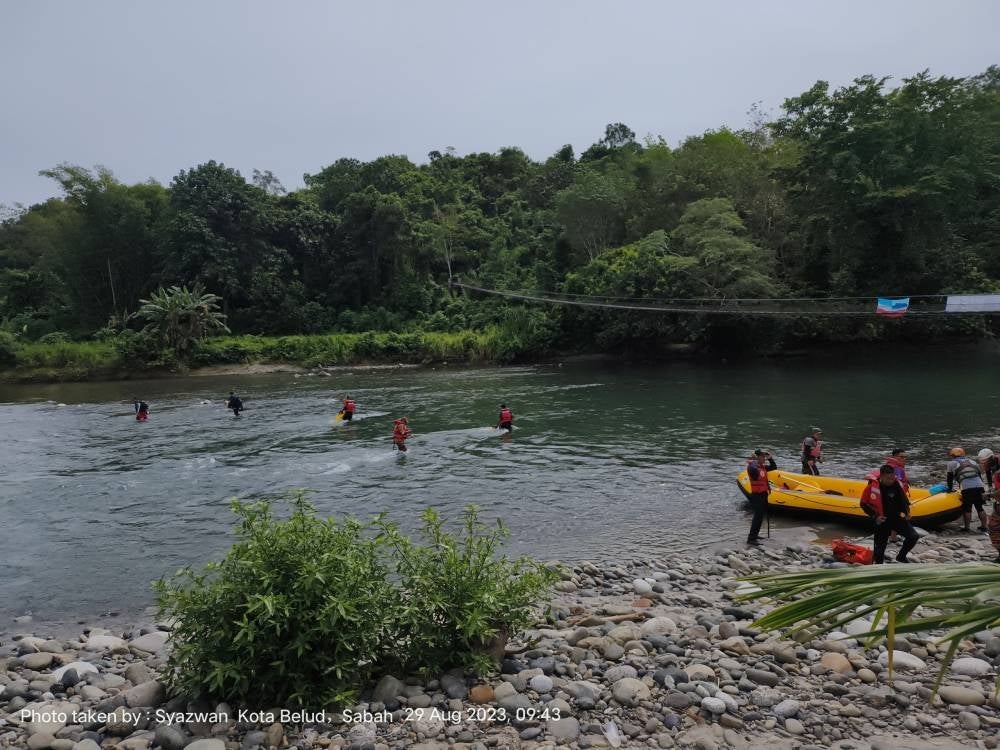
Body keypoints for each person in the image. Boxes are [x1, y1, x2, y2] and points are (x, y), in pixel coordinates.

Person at [861, 464, 920, 563]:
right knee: (879, 551)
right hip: (882, 520)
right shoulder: (871, 487)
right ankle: (878, 565)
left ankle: (901, 556)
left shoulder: (897, 484)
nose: (891, 481)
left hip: (897, 518)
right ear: (881, 476)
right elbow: (863, 504)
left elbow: (904, 500)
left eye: (892, 478)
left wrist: (907, 512)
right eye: (888, 479)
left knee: (913, 536)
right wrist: (875, 517)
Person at [946, 447, 988, 533]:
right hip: (979, 486)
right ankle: (984, 526)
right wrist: (982, 487)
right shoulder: (972, 462)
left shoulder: (951, 463)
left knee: (967, 508)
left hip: (967, 487)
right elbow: (979, 475)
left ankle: (967, 527)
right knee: (980, 507)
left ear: (953, 455)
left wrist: (949, 489)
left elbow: (949, 478)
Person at [745, 449, 777, 546]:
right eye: (763, 457)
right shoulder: (752, 467)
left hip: (763, 494)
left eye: (765, 457)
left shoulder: (762, 467)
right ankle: (751, 539)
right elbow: (754, 471)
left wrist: (770, 458)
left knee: (760, 516)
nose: (764, 459)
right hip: (757, 495)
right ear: (758, 457)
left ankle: (755, 535)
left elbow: (774, 467)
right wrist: (754, 460)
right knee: (757, 517)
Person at [977, 449, 1000, 560]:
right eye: (981, 463)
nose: (983, 465)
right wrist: (990, 488)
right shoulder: (992, 465)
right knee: (993, 526)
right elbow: (988, 473)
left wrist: (990, 495)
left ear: (991, 459)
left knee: (994, 527)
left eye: (984, 462)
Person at [885, 448, 910, 543]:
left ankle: (893, 535)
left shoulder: (889, 466)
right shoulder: (896, 468)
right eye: (902, 457)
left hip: (890, 495)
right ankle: (894, 536)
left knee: (895, 515)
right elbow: (897, 483)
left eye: (905, 457)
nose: (904, 459)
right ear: (894, 457)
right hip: (896, 495)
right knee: (899, 514)